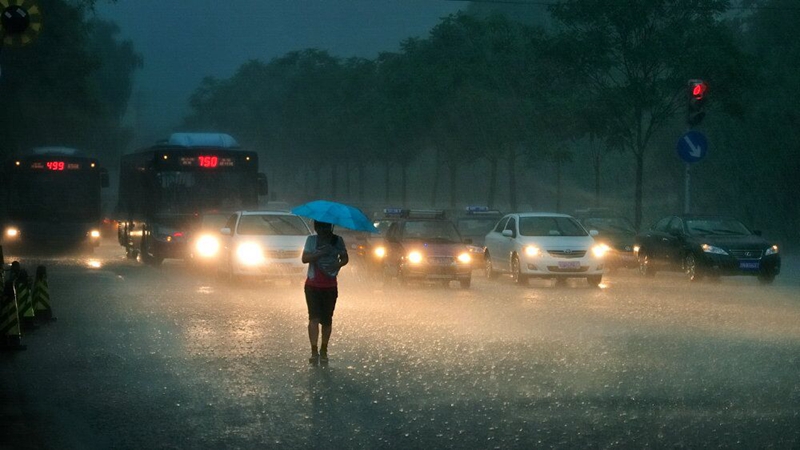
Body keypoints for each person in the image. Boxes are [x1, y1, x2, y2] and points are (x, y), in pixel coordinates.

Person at [301, 220, 348, 365]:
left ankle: (324, 349)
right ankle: (314, 351)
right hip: (312, 285)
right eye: (319, 226)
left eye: (326, 226)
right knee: (313, 318)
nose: (322, 229)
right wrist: (321, 253)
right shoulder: (311, 240)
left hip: (330, 286)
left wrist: (338, 263)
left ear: (330, 227)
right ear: (316, 227)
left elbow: (345, 258)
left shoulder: (337, 240)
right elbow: (304, 259)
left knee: (327, 320)